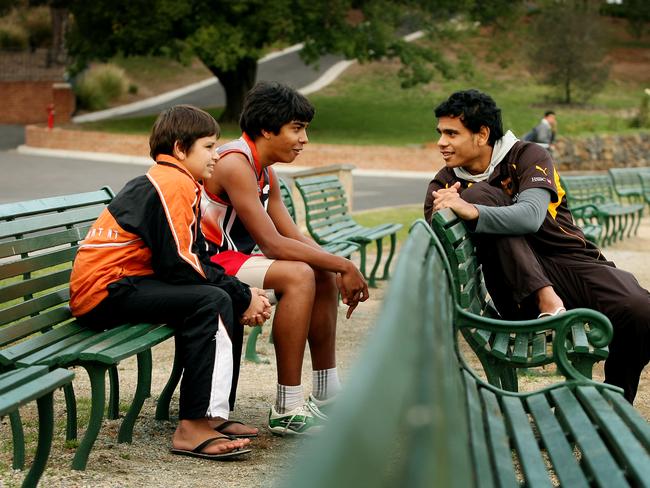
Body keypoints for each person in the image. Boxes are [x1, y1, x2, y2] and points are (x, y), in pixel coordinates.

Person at [69, 105, 272, 460]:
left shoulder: (179, 182)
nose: (217, 155)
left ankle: (213, 415)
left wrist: (242, 293)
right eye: (209, 147)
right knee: (212, 301)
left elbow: (197, 256)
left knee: (220, 296)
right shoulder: (171, 183)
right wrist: (241, 295)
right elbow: (180, 265)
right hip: (105, 293)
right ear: (180, 148)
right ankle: (192, 427)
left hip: (125, 285)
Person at [423, 89, 650, 403]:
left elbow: (530, 216)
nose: (441, 143)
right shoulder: (446, 186)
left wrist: (471, 211)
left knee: (640, 309)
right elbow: (436, 248)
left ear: (482, 134)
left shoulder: (528, 155)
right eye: (440, 133)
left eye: (452, 133)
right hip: (517, 290)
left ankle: (611, 407)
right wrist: (454, 209)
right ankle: (546, 300)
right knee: (478, 193)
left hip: (570, 261)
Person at [200, 81, 369, 435]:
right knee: (300, 275)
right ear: (266, 128)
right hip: (207, 261)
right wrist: (344, 264)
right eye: (297, 128)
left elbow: (292, 234)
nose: (304, 139)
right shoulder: (234, 163)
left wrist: (333, 264)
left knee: (318, 271)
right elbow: (274, 244)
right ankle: (287, 407)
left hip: (233, 257)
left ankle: (326, 393)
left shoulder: (265, 170)